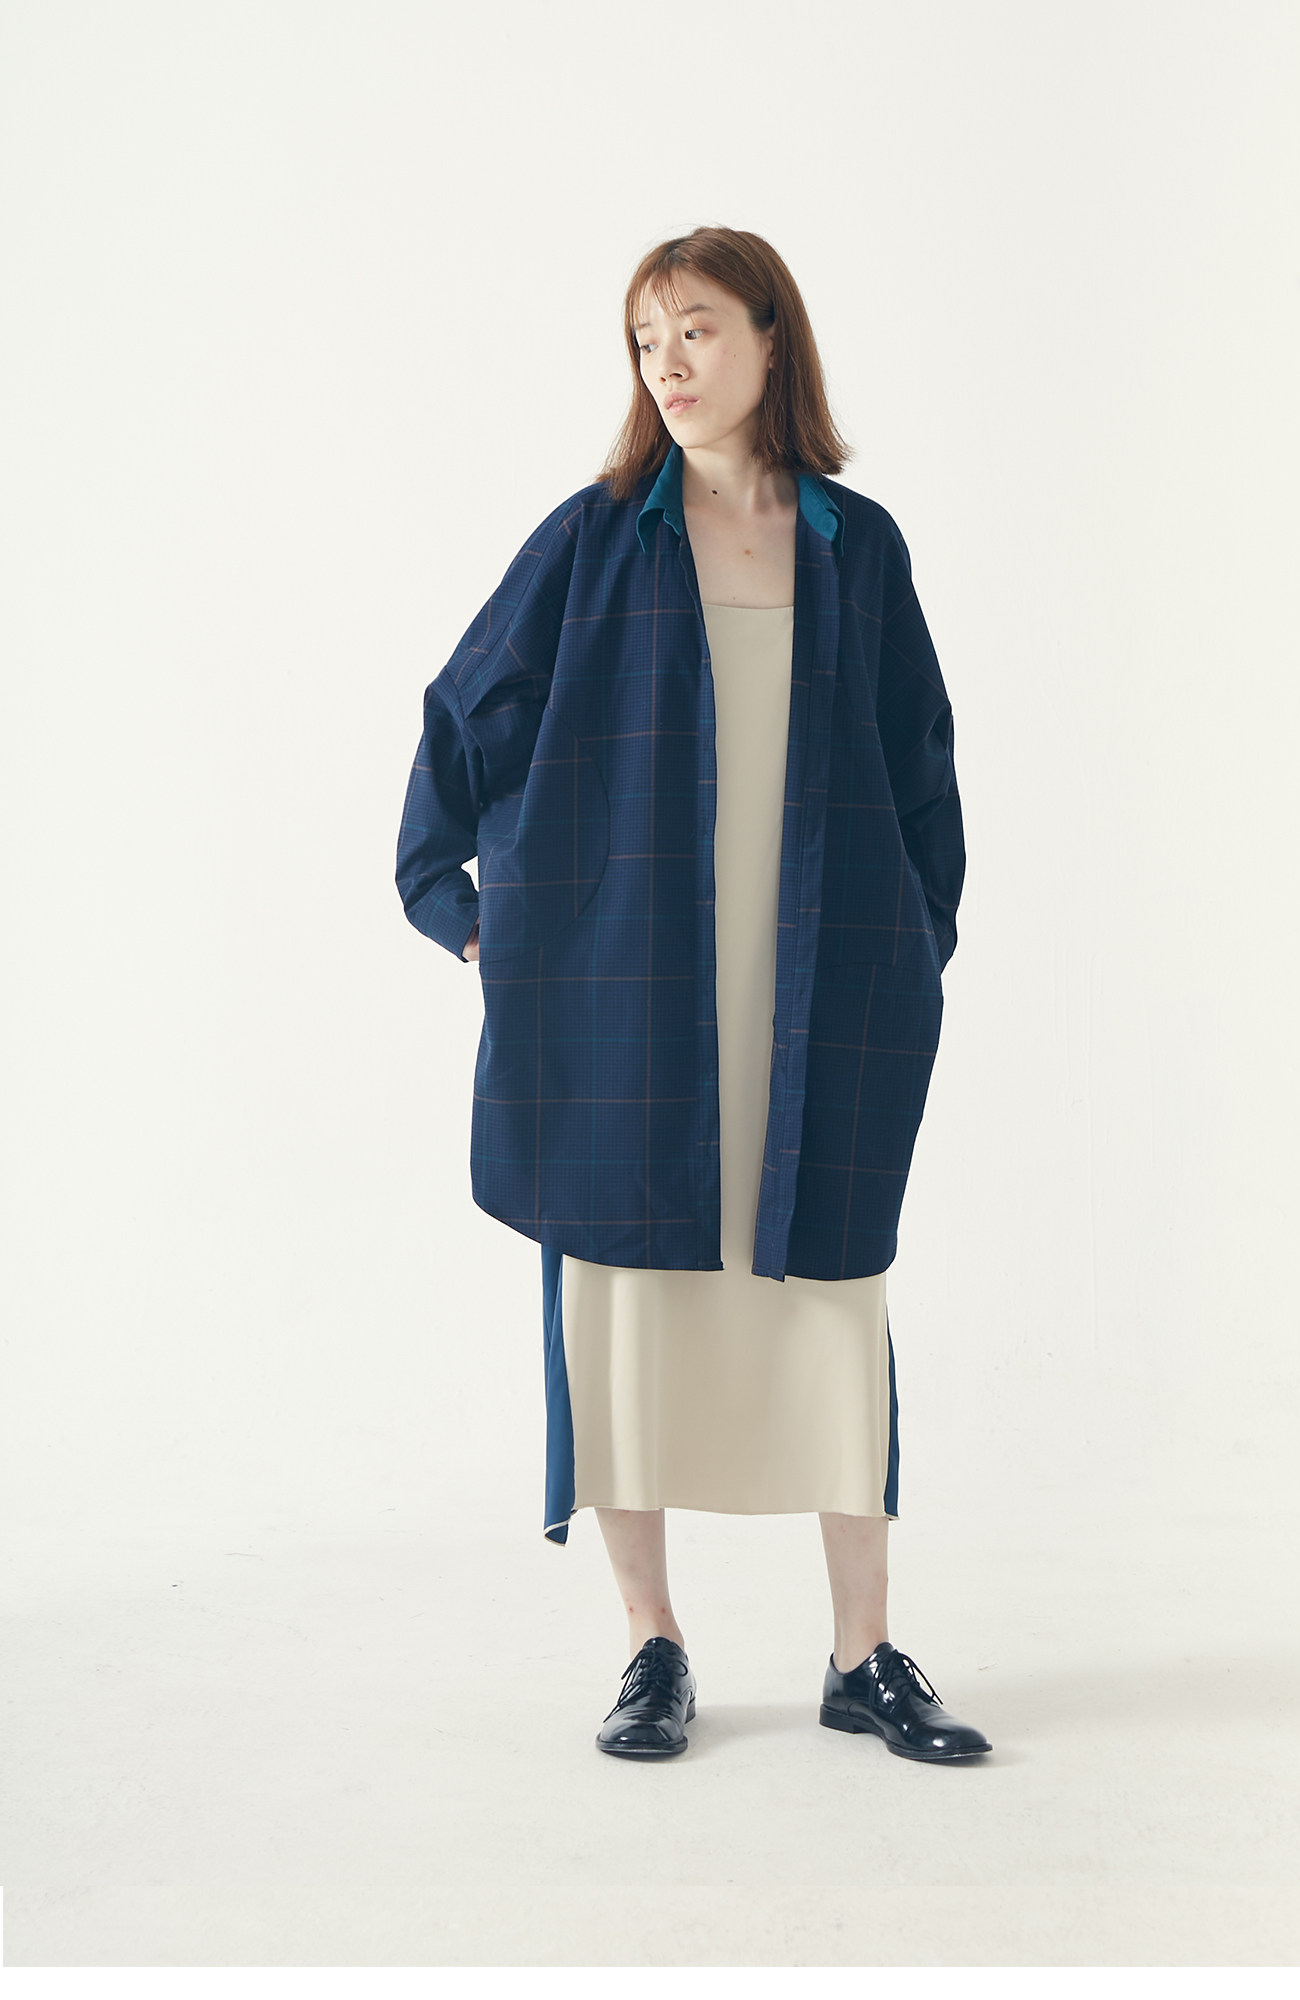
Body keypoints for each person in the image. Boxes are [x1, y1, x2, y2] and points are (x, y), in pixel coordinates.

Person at [396, 226, 990, 1763]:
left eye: (698, 329)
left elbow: (923, 769)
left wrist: (915, 939)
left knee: (833, 1311)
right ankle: (651, 1647)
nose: (667, 363)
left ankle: (863, 1654)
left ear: (773, 339)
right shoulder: (592, 540)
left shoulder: (858, 546)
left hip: (817, 988)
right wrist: (465, 917)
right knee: (628, 1321)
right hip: (634, 993)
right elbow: (463, 719)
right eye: (646, 338)